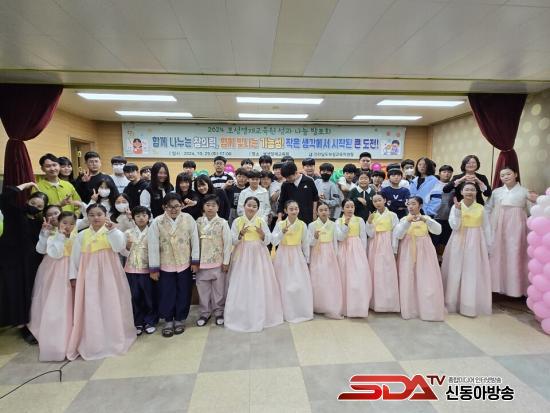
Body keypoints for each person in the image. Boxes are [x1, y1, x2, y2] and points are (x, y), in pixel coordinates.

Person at [67, 204, 135, 360]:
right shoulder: (81, 235)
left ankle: (115, 338)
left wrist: (113, 231)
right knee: (92, 305)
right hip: (89, 276)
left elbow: (119, 248)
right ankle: (95, 341)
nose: (96, 217)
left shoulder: (114, 231)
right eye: (91, 215)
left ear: (106, 215)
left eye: (99, 214)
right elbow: (75, 258)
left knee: (111, 303)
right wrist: (73, 276)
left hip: (110, 275)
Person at [224, 197, 283, 332]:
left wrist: (262, 235)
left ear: (258, 209)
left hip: (259, 255)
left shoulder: (261, 221)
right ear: (244, 206)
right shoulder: (237, 221)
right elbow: (232, 240)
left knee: (259, 280)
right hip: (242, 254)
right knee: (242, 281)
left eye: (254, 206)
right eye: (249, 205)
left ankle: (261, 312)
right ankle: (241, 313)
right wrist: (240, 235)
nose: (251, 208)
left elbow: (268, 241)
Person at [0, 182, 48, 343]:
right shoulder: (14, 212)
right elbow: (4, 197)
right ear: (27, 201)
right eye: (33, 203)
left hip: (30, 262)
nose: (35, 207)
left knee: (28, 292)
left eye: (39, 206)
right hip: (10, 260)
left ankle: (27, 323)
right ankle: (20, 324)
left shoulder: (40, 223)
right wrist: (26, 185)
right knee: (14, 291)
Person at [148, 193, 199, 337]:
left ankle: (180, 319)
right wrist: (154, 268)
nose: (174, 209)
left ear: (181, 205)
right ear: (164, 207)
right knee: (166, 293)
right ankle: (168, 320)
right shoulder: (157, 222)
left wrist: (195, 261)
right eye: (170, 207)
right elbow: (152, 245)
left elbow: (195, 240)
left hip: (185, 264)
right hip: (165, 265)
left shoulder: (188, 219)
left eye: (177, 206)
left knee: (184, 292)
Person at [28, 211, 77, 361]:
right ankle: (51, 333)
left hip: (69, 272)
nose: (67, 226)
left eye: (71, 223)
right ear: (58, 223)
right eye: (64, 222)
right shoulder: (52, 236)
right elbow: (45, 251)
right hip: (52, 273)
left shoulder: (77, 238)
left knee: (69, 303)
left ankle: (70, 333)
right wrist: (46, 233)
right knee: (53, 302)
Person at [485, 166, 537, 297]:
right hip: (498, 226)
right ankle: (496, 286)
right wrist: (487, 226)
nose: (505, 177)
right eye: (502, 175)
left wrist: (535, 201)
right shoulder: (496, 192)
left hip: (517, 227)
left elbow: (532, 211)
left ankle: (515, 289)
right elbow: (488, 208)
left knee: (515, 253)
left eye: (508, 174)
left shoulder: (525, 191)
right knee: (498, 253)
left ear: (515, 174)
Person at [441, 183, 492, 317]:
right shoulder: (456, 207)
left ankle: (468, 305)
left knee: (471, 271)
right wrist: (458, 212)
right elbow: (454, 226)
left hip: (476, 241)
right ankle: (451, 303)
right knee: (455, 270)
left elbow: (487, 227)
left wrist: (489, 246)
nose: (470, 192)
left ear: (476, 192)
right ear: (461, 192)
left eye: (473, 190)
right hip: (458, 240)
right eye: (467, 189)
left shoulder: (481, 208)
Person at [394, 196, 445, 321]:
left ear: (420, 206)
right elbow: (398, 235)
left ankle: (428, 308)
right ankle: (410, 308)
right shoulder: (404, 219)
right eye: (409, 204)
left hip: (425, 251)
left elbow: (438, 231)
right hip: (407, 251)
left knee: (426, 277)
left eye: (414, 204)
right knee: (408, 277)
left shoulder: (426, 218)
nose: (410, 206)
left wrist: (425, 220)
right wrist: (407, 222)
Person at [272, 200, 314, 323]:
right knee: (283, 282)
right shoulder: (280, 224)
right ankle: (284, 310)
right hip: (282, 254)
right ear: (285, 210)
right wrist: (281, 233)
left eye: (296, 208)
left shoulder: (302, 225)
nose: (294, 211)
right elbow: (273, 241)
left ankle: (298, 310)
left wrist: (307, 259)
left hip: (297, 255)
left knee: (298, 282)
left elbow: (305, 243)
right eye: (291, 209)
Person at [195, 195, 232, 327]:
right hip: (201, 262)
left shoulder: (223, 222)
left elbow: (227, 243)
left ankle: (219, 312)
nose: (210, 208)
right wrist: (194, 261)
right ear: (203, 207)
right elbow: (193, 243)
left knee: (219, 289)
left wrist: (226, 261)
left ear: (218, 207)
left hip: (218, 261)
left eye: (213, 205)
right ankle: (204, 312)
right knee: (203, 289)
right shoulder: (198, 222)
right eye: (207, 205)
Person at [121, 206, 156, 336]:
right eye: (138, 216)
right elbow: (122, 252)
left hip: (148, 270)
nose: (141, 218)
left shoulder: (153, 232)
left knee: (149, 297)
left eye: (144, 215)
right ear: (133, 218)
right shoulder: (127, 233)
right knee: (135, 297)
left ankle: (150, 321)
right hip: (131, 270)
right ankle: (138, 322)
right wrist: (127, 247)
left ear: (148, 217)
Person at [335, 199, 373, 318]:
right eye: (347, 206)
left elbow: (363, 237)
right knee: (344, 276)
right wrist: (345, 225)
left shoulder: (360, 220)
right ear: (342, 209)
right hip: (343, 250)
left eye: (352, 207)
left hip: (357, 250)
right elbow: (340, 237)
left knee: (358, 276)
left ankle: (358, 306)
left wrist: (363, 253)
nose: (350, 209)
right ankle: (345, 307)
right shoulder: (338, 221)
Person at [308, 203, 343, 319]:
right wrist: (315, 237)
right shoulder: (312, 225)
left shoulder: (333, 224)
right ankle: (318, 305)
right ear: (317, 212)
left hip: (330, 253)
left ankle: (329, 303)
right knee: (318, 278)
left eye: (326, 210)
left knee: (330, 278)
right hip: (317, 253)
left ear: (329, 211)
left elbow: (337, 239)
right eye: (321, 210)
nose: (323, 212)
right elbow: (309, 243)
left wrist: (336, 255)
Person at [366, 194, 400, 313]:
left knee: (388, 272)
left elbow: (396, 233)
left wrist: (394, 248)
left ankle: (389, 303)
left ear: (385, 200)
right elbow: (370, 234)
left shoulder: (392, 215)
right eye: (375, 201)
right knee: (375, 272)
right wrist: (369, 223)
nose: (377, 203)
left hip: (387, 245)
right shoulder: (372, 216)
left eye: (379, 200)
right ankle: (375, 303)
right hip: (374, 245)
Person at [433, 165, 455, 258]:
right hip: (435, 217)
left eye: (449, 172)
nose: (447, 174)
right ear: (439, 173)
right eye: (444, 172)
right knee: (434, 240)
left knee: (445, 240)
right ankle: (433, 259)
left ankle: (441, 259)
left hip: (449, 217)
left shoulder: (454, 185)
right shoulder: (433, 184)